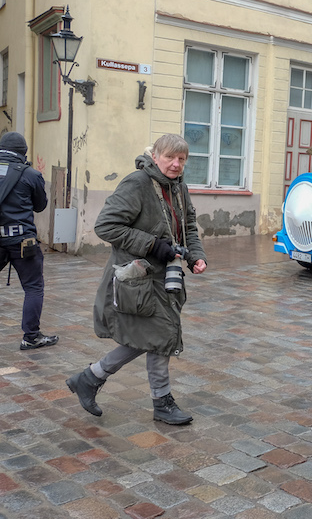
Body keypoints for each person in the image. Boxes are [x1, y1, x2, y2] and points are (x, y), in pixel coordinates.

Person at [66, 134, 208, 424]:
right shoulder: (138, 183)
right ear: (155, 156)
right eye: (169, 157)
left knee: (155, 335)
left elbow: (189, 225)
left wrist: (195, 255)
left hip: (165, 276)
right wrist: (153, 245)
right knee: (158, 335)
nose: (176, 164)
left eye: (181, 159)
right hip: (139, 278)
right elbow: (106, 226)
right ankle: (160, 402)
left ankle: (90, 378)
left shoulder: (179, 187)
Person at [0, 132, 56, 351]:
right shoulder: (31, 174)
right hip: (23, 242)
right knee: (33, 288)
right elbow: (40, 206)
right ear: (23, 152)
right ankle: (31, 337)